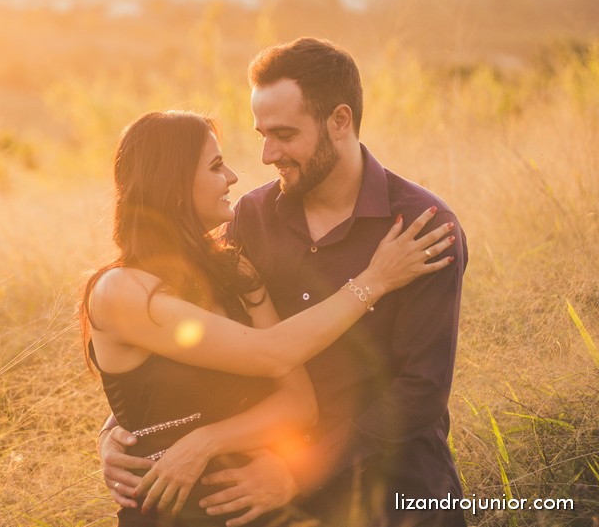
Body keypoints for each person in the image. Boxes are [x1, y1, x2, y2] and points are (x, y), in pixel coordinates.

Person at [99, 38, 469, 527]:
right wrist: (123, 429)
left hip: (395, 491)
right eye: (262, 134)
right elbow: (198, 341)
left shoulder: (420, 228)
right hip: (268, 495)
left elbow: (420, 390)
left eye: (284, 134)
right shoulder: (251, 218)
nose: (267, 154)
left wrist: (302, 469)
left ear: (340, 121)